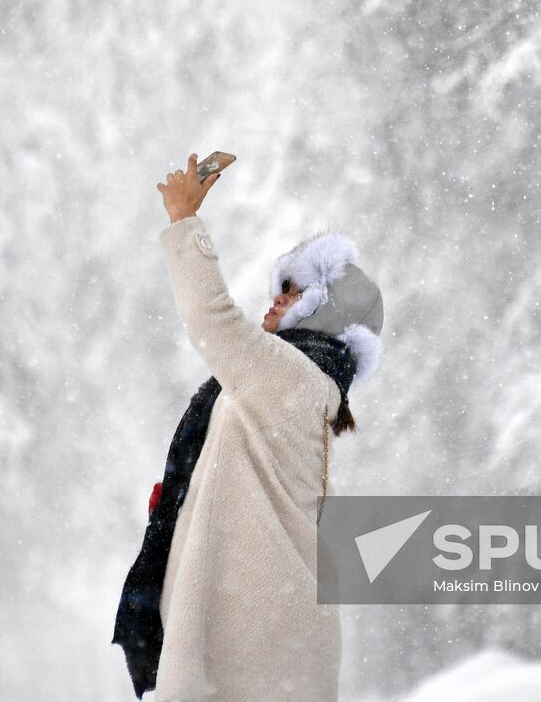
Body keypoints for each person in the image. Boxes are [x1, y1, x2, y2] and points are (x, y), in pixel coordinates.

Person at [112, 154, 384, 701]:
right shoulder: (307, 388)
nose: (276, 299)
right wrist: (186, 495)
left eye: (294, 293)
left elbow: (213, 318)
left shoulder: (295, 377)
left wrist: (184, 221)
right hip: (274, 636)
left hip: (253, 642)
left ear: (323, 312)